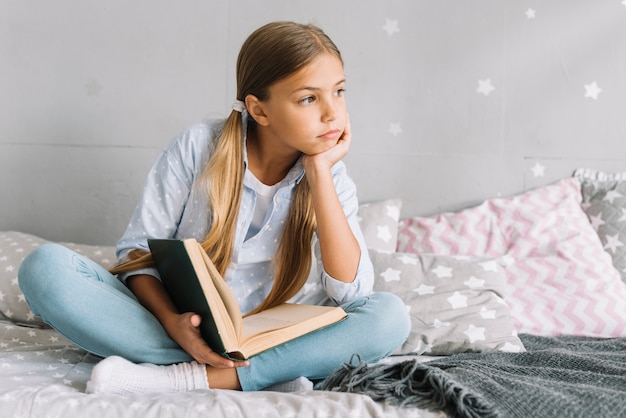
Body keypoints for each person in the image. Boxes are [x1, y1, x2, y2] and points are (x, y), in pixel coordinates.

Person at [18, 21, 410, 394]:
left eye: (339, 92)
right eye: (309, 98)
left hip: (277, 334)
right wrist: (173, 323)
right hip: (181, 326)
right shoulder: (197, 147)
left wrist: (320, 172)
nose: (332, 112)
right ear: (259, 110)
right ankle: (274, 370)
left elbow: (352, 292)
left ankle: (186, 379)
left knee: (389, 317)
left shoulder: (331, 177)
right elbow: (137, 254)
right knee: (45, 268)